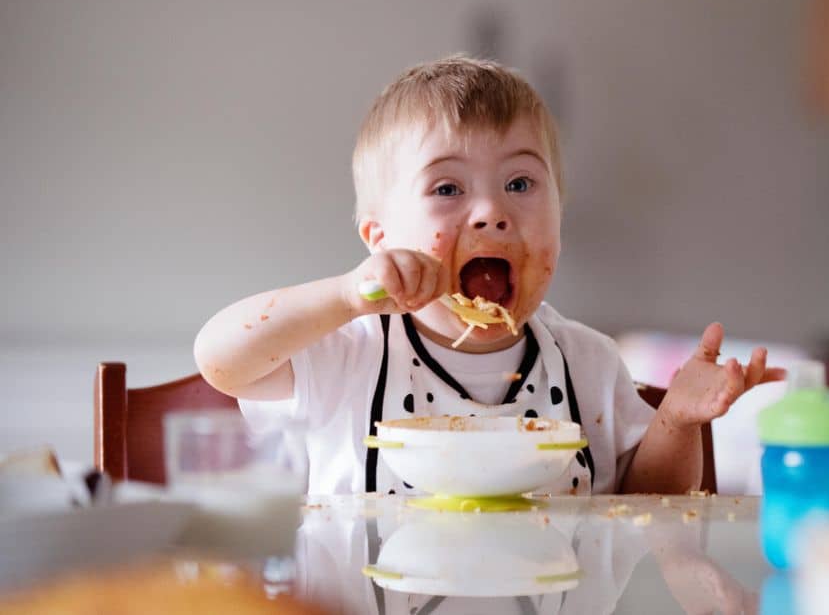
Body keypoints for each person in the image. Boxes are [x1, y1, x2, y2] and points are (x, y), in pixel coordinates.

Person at [194, 55, 784, 495]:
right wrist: (348, 295)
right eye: (448, 188)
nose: (491, 212)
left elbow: (647, 514)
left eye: (520, 184)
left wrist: (676, 419)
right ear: (379, 237)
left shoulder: (589, 365)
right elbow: (221, 358)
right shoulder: (347, 353)